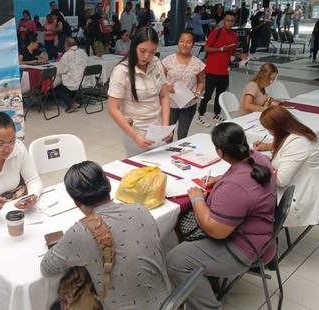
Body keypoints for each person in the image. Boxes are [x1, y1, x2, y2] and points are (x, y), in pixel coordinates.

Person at [166, 122, 276, 309]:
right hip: (260, 235)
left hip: (243, 248)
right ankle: (204, 277)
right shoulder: (257, 158)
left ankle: (208, 306)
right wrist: (221, 179)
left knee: (175, 260)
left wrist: (197, 199)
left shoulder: (235, 187)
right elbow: (240, 178)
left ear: (219, 152)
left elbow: (217, 231)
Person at [41, 161, 170, 309]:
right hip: (168, 302)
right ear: (109, 184)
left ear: (76, 202)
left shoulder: (82, 231)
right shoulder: (140, 210)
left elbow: (47, 268)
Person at [253, 106, 319, 227]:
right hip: (300, 186)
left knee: (252, 200)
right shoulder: (297, 132)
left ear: (279, 127)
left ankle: (260, 235)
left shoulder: (298, 142)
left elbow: (281, 180)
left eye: (270, 129)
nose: (269, 132)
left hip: (301, 198)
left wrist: (264, 162)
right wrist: (269, 150)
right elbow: (286, 153)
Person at [107, 27, 171, 157]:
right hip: (136, 130)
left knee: (161, 167)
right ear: (134, 46)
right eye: (142, 51)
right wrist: (135, 136)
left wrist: (165, 127)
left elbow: (164, 96)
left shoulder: (156, 63)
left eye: (152, 52)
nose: (147, 56)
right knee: (138, 170)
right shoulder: (121, 71)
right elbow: (113, 109)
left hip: (157, 128)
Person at [197, 11, 248, 127]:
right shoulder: (216, 32)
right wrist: (220, 49)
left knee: (220, 95)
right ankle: (201, 114)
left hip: (224, 71)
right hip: (211, 70)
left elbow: (232, 50)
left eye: (232, 21)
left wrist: (240, 56)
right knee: (208, 94)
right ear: (223, 21)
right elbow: (206, 49)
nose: (229, 23)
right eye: (227, 20)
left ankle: (216, 114)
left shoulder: (234, 35)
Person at [162, 31, 205, 140]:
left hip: (188, 104)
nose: (184, 45)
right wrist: (166, 87)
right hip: (170, 103)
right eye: (182, 41)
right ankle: (167, 154)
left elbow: (200, 82)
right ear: (178, 42)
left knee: (182, 134)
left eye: (188, 42)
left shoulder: (197, 63)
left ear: (193, 44)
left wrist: (198, 93)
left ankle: (178, 154)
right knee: (167, 134)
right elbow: (159, 79)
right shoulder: (168, 60)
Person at [55, 37, 87, 113]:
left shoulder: (67, 54)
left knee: (58, 88)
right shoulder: (82, 52)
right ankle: (76, 99)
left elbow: (60, 70)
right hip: (83, 80)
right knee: (72, 83)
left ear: (66, 45)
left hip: (73, 81)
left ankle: (71, 103)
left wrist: (58, 63)